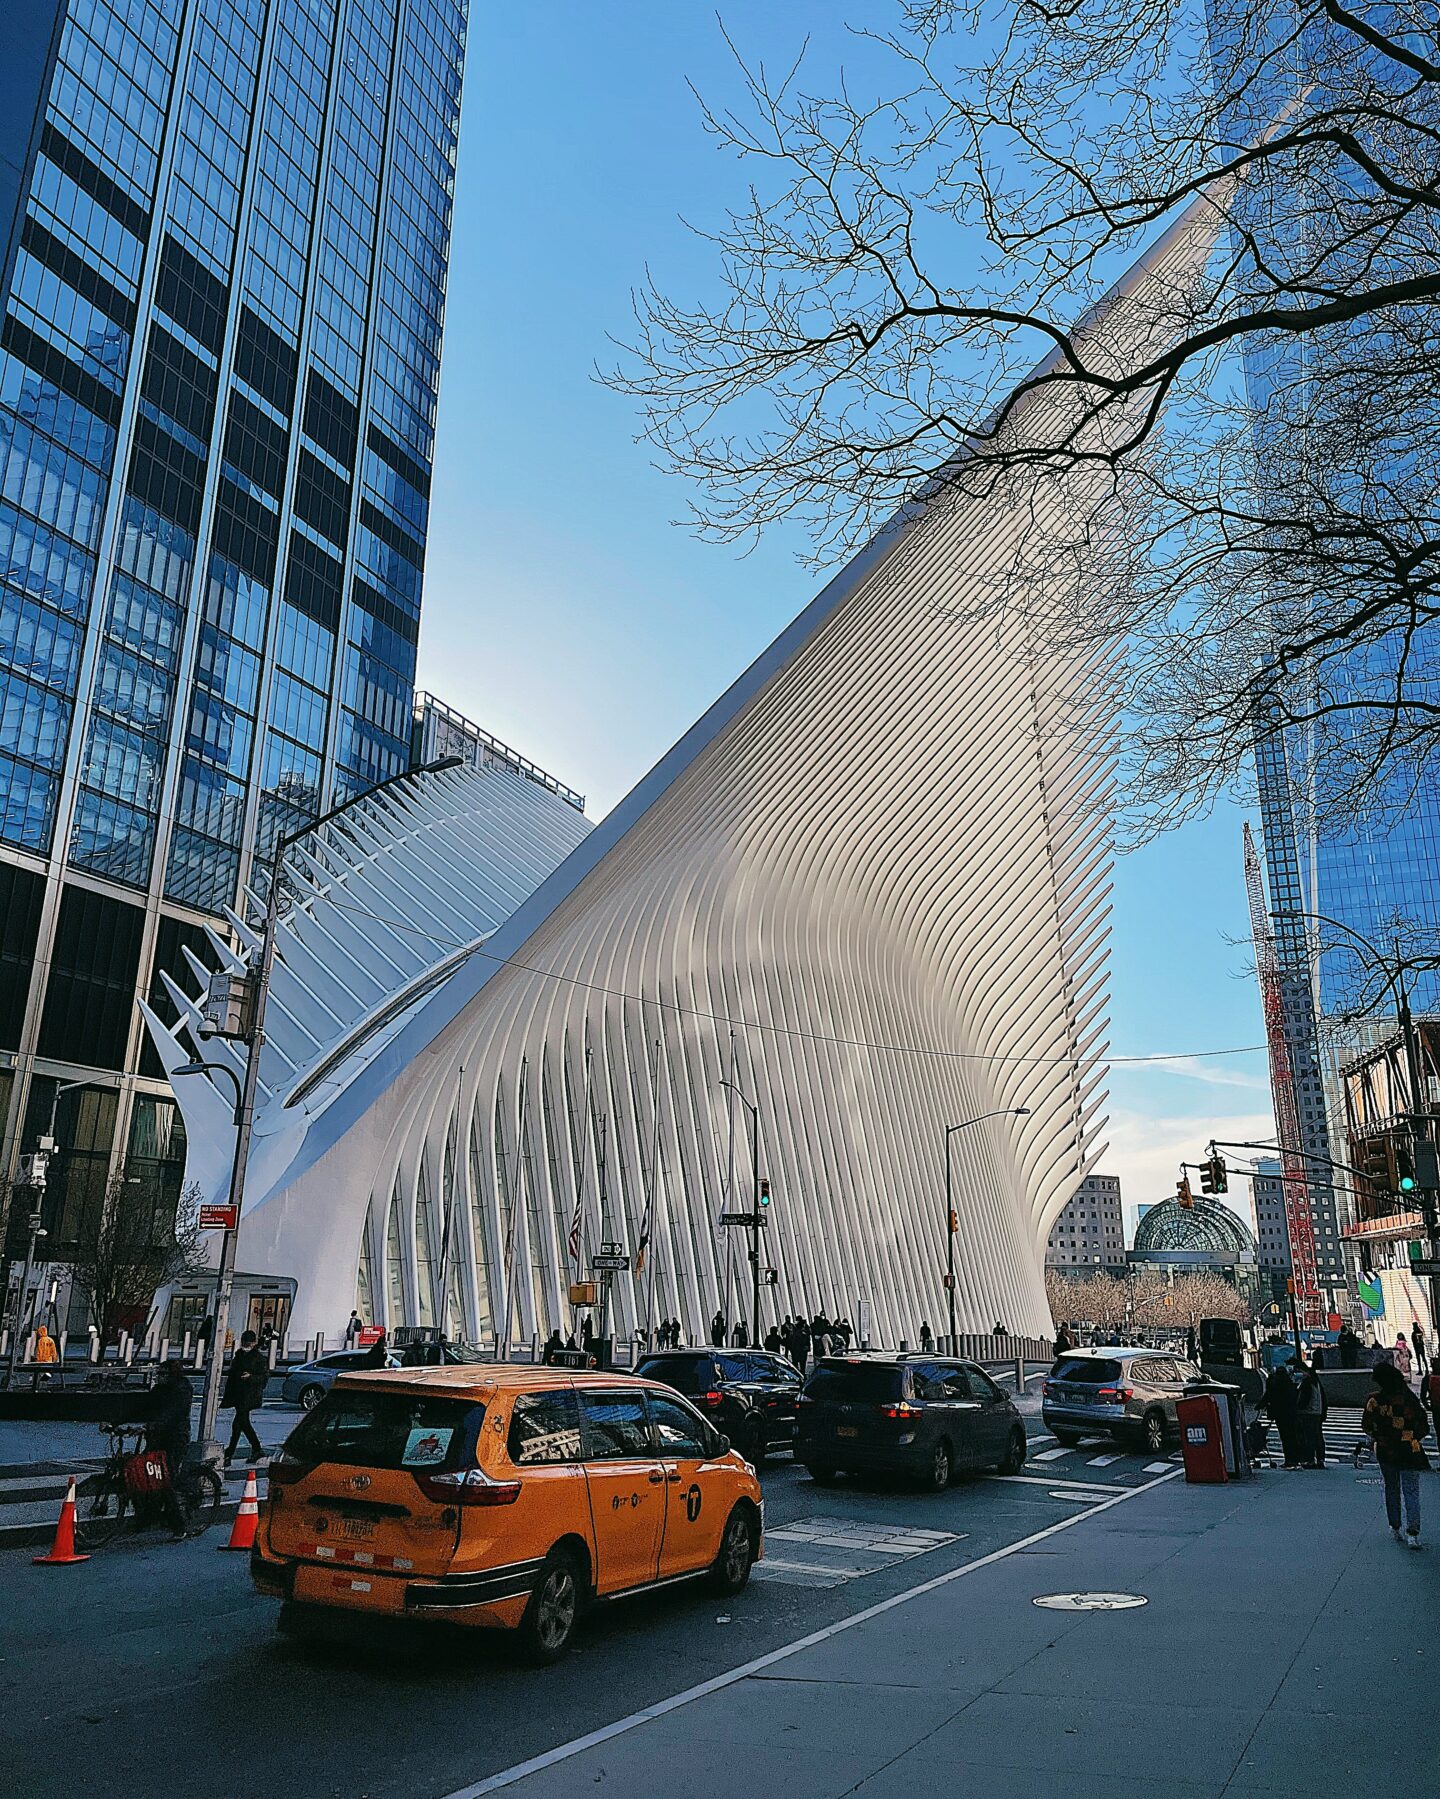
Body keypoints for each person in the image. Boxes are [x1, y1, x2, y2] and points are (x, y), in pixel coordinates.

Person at [1362, 1360, 1430, 1549]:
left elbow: (1367, 1425)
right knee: (1411, 1490)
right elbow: (1423, 1424)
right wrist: (1412, 1437)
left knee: (1391, 1488)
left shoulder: (1375, 1400)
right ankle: (1413, 1532)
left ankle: (1395, 1525)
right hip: (1409, 1449)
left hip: (1387, 1449)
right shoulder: (1409, 1398)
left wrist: (1378, 1436)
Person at [146, 1360, 194, 1541]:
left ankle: (178, 1525)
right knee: (147, 1471)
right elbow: (142, 1406)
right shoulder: (159, 1390)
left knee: (165, 1479)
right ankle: (151, 1513)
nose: (160, 1377)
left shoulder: (182, 1389)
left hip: (175, 1437)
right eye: (159, 1374)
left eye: (164, 1374)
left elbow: (174, 1413)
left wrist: (155, 1425)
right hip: (157, 1435)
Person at [222, 1329, 268, 1467]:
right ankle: (256, 1449)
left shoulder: (258, 1359)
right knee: (242, 1424)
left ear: (254, 1343)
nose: (246, 1345)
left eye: (248, 1343)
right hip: (239, 1394)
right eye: (244, 1342)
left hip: (249, 1396)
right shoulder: (239, 1355)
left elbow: (264, 1377)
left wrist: (251, 1377)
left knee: (239, 1424)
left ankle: (230, 1454)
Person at [1264, 1360, 1301, 1469]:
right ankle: (1294, 1459)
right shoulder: (1289, 1385)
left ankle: (1289, 1460)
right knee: (1292, 1437)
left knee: (1285, 1438)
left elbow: (1268, 1396)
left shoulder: (1275, 1385)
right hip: (1291, 1414)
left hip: (1280, 1415)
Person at [1294, 1358, 1327, 1469]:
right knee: (1317, 1436)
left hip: (1308, 1412)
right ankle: (1320, 1458)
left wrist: (1297, 1408)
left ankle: (1310, 1459)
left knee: (1309, 1437)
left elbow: (1303, 1400)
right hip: (1317, 1412)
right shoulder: (1315, 1381)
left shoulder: (1307, 1382)